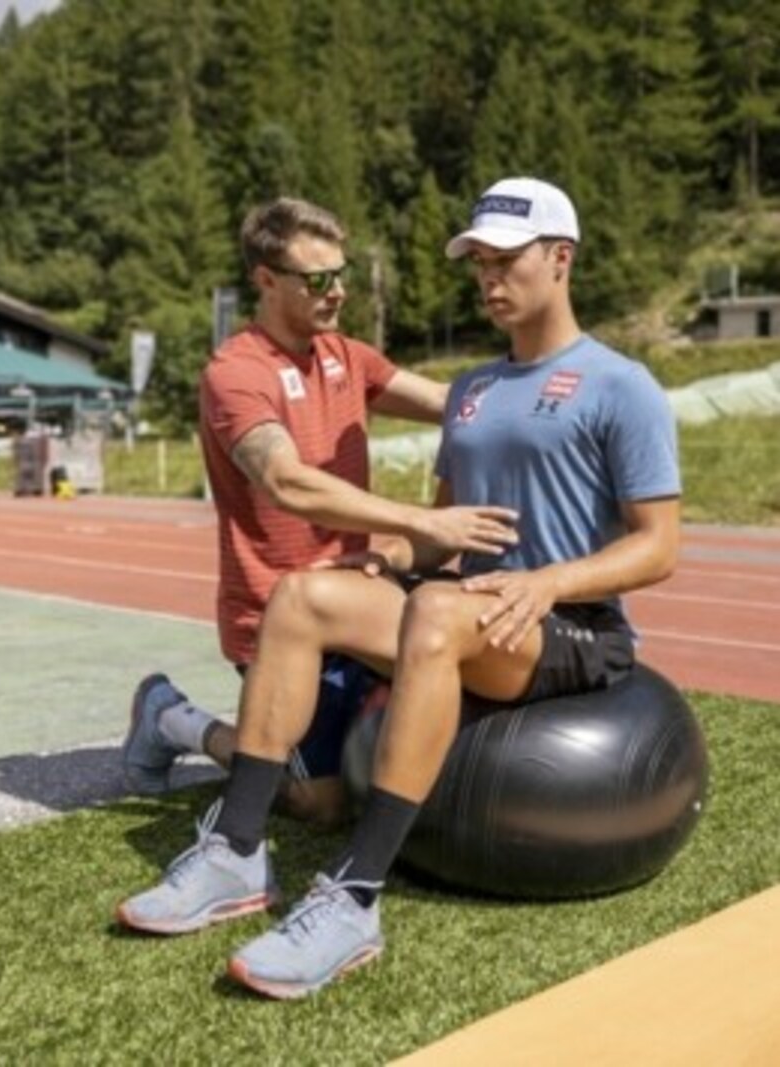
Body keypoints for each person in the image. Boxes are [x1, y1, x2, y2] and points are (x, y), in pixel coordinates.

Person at [116, 177, 681, 999]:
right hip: (466, 615)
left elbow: (660, 546)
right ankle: (237, 848)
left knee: (441, 614)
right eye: (478, 263)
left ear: (561, 259)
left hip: (571, 626)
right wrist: (389, 558)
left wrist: (551, 579)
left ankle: (353, 897)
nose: (489, 279)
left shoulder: (620, 384)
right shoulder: (475, 393)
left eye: (507, 260)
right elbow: (445, 525)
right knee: (306, 593)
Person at [122, 196, 517, 824]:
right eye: (318, 280)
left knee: (459, 662)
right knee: (322, 806)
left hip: (362, 596)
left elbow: (453, 403)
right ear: (265, 280)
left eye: (342, 275)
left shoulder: (346, 355)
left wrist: (552, 393)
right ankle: (173, 718)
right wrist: (419, 519)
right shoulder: (236, 374)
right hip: (278, 620)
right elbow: (286, 481)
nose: (336, 293)